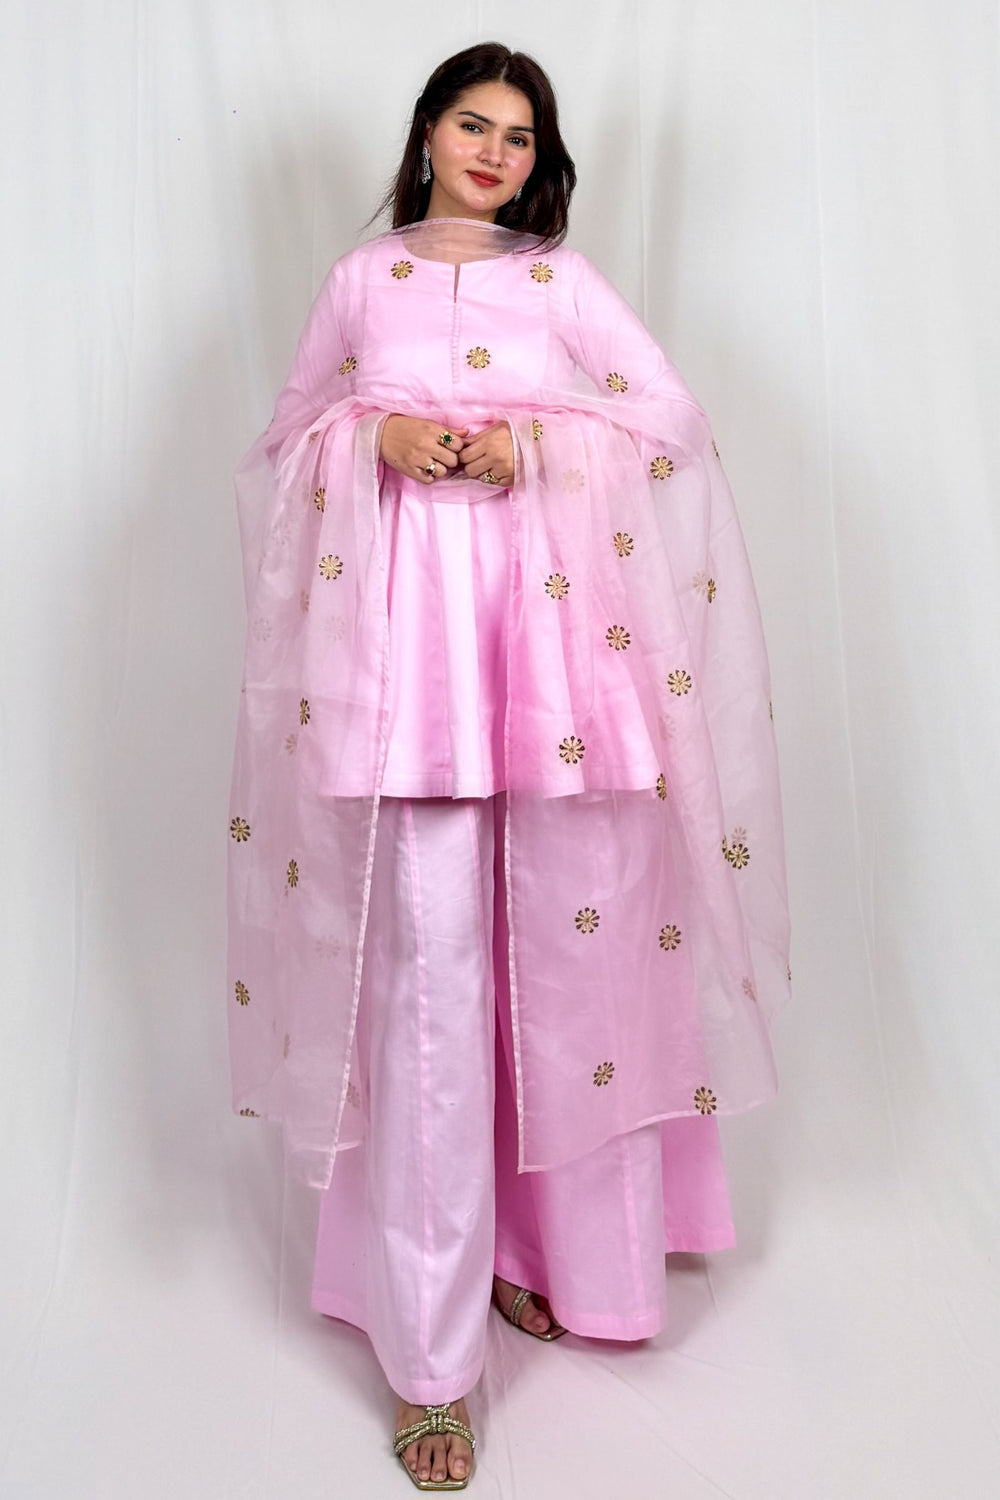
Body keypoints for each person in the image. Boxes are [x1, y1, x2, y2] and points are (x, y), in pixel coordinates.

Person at [226, 41, 791, 1491]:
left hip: (555, 680)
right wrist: (379, 432)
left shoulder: (563, 284)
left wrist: (532, 447)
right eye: (472, 123)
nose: (494, 151)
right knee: (429, 995)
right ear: (426, 133)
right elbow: (285, 441)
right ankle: (432, 1366)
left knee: (569, 971)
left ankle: (541, 1261)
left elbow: (670, 421)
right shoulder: (363, 282)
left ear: (541, 159)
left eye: (520, 135)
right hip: (406, 681)